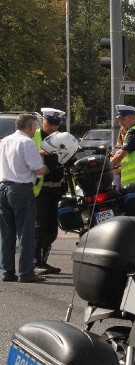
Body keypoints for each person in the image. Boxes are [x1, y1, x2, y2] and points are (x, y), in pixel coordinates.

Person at [0, 113, 49, 283]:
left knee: (6, 233)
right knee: (26, 232)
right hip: (21, 190)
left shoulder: (5, 141)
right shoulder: (27, 142)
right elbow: (37, 169)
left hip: (4, 187)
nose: (35, 129)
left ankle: (7, 271)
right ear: (29, 127)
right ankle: (26, 272)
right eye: (35, 126)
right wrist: (47, 168)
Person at [33, 108, 67, 275]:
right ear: (42, 121)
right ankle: (36, 263)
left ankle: (43, 261)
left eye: (56, 124)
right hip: (39, 189)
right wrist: (44, 152)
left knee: (52, 229)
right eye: (50, 123)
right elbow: (29, 155)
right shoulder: (33, 137)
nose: (53, 127)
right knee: (40, 227)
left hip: (57, 188)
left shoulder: (62, 138)